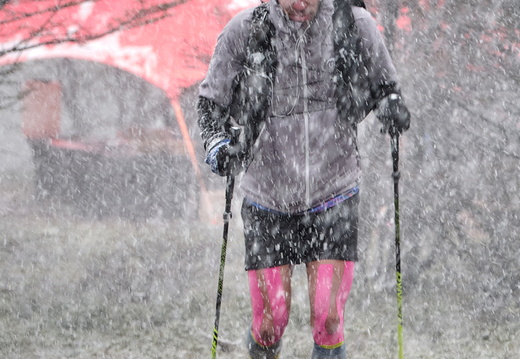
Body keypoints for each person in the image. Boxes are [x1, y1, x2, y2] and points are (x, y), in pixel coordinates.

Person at [197, 0, 410, 358]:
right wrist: (219, 145)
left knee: (328, 319)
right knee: (269, 322)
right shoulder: (246, 31)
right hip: (268, 196)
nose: (298, 3)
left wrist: (391, 106)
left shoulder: (355, 26)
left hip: (334, 190)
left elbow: (387, 87)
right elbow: (209, 105)